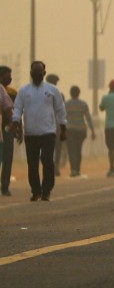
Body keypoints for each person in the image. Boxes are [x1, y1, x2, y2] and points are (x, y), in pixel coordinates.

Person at [11, 60, 67, 201]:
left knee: (47, 160)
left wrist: (63, 127)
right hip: (31, 133)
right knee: (32, 163)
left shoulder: (52, 90)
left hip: (48, 131)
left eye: (40, 72)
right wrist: (16, 122)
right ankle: (36, 191)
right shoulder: (24, 91)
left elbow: (60, 109)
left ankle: (46, 190)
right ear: (30, 73)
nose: (37, 74)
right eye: (35, 72)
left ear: (44, 73)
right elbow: (17, 108)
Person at [64, 85, 95, 177]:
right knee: (78, 150)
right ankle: (77, 169)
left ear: (70, 93)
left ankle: (73, 169)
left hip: (70, 130)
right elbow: (88, 118)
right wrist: (92, 130)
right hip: (81, 130)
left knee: (71, 150)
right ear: (79, 93)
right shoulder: (83, 104)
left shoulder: (66, 104)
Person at [45, 73, 67, 176]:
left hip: (46, 124)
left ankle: (52, 167)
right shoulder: (60, 95)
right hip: (55, 124)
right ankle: (55, 167)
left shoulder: (41, 93)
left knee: (50, 147)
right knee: (56, 147)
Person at [1, 65, 16, 196]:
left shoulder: (12, 92)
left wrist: (17, 126)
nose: (10, 78)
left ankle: (4, 186)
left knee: (7, 157)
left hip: (7, 129)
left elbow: (15, 110)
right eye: (7, 76)